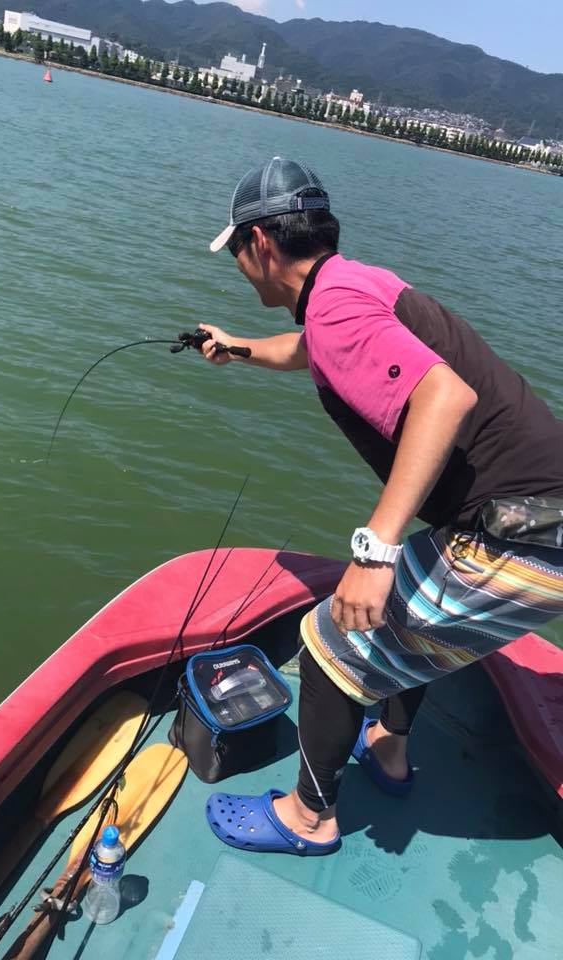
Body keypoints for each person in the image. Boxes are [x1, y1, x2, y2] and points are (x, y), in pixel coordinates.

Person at [201, 157, 563, 856]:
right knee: (405, 625)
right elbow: (312, 349)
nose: (240, 268)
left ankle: (309, 819)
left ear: (261, 244)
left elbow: (444, 397)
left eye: (237, 252)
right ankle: (389, 752)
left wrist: (375, 550)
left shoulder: (334, 306)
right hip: (540, 517)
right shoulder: (353, 284)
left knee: (330, 641)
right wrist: (237, 348)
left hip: (523, 533)